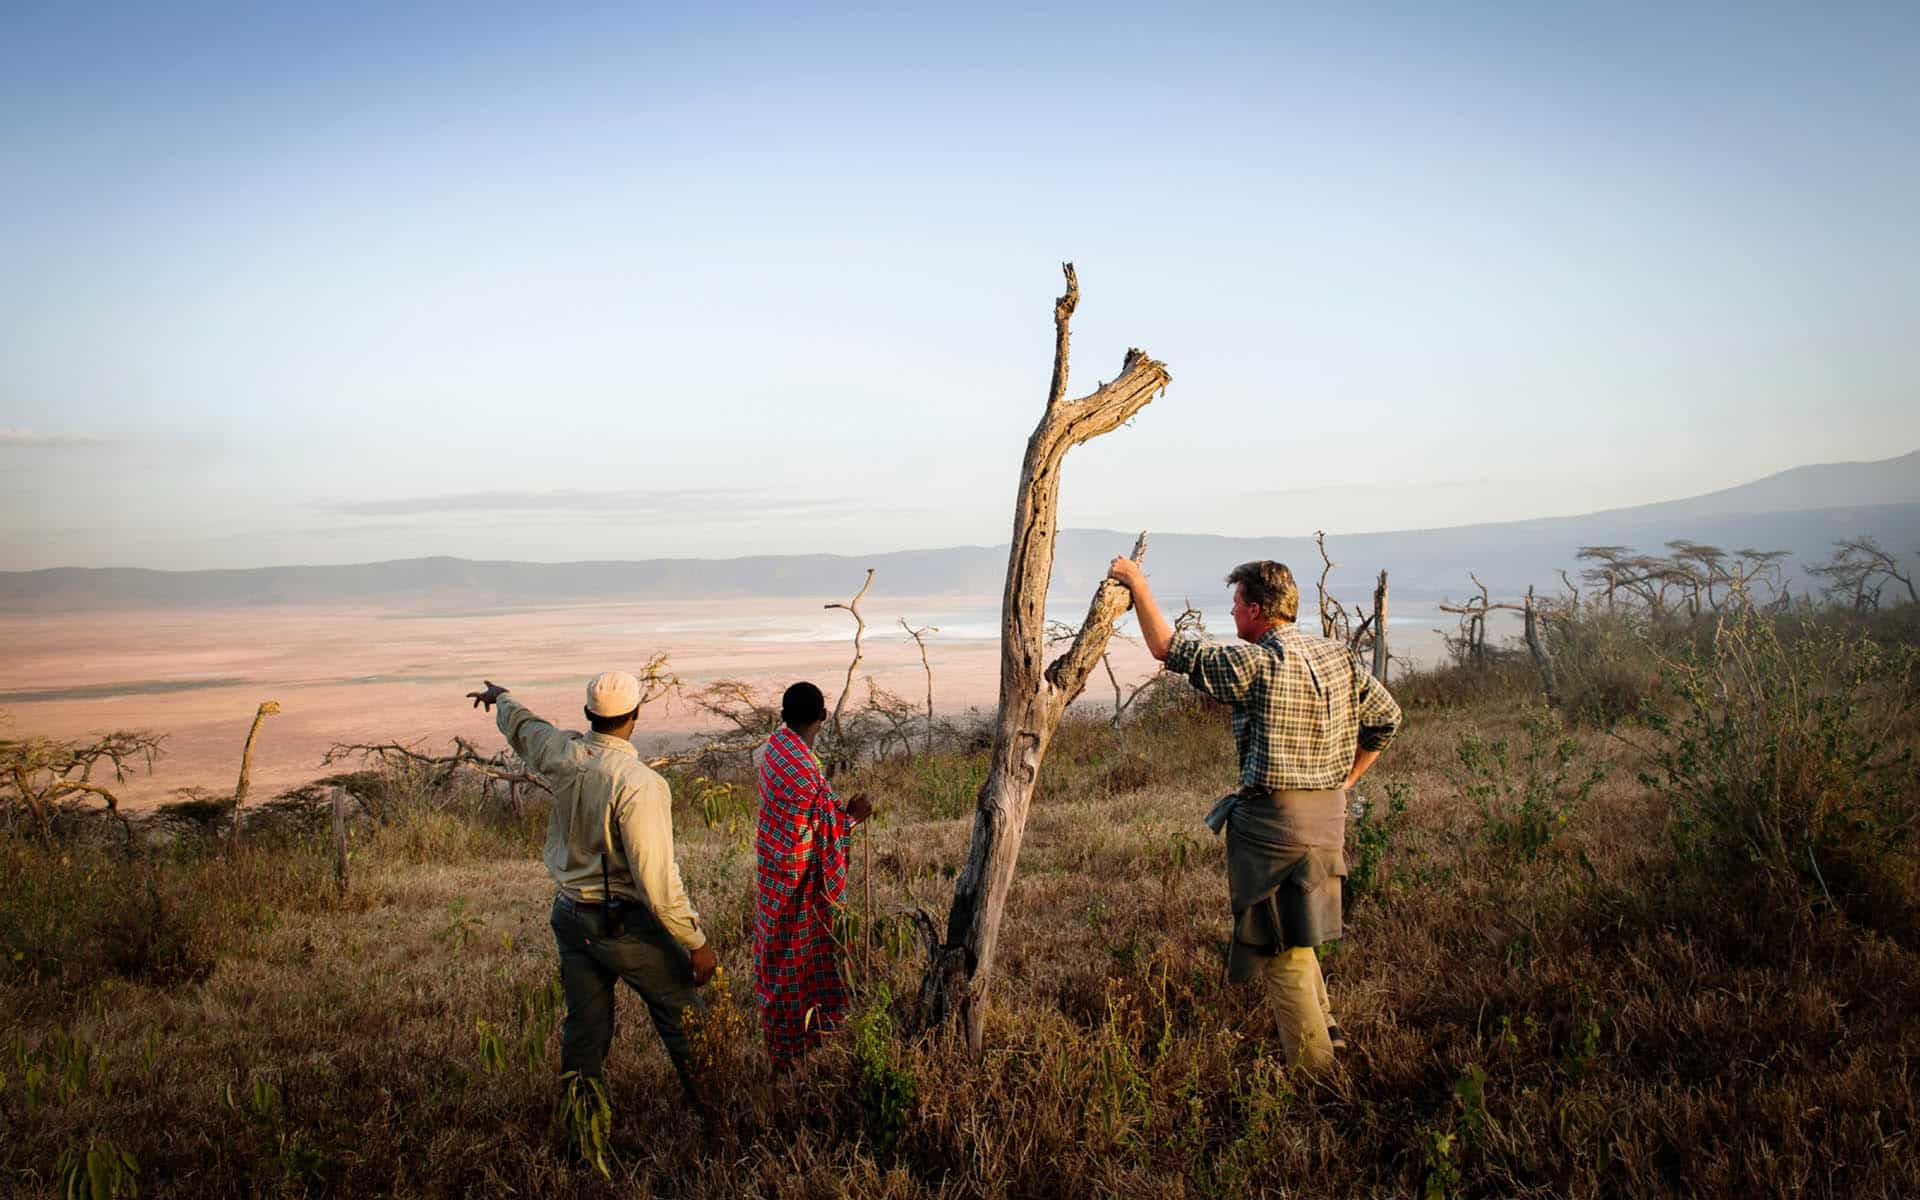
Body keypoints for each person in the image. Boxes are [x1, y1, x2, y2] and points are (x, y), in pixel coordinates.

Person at [1106, 556, 1402, 1076]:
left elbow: (1167, 648)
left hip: (1274, 829)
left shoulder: (1258, 663)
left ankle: (1318, 1079)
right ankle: (1332, 1042)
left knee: (1278, 950)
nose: (1233, 612)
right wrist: (1347, 781)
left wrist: (1138, 584)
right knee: (1297, 933)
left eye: (1238, 604)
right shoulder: (1340, 657)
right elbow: (1387, 720)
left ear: (1258, 610)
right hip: (1328, 820)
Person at [466, 672, 717, 1110]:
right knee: (685, 1017)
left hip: (568, 914)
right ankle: (719, 1112)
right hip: (620, 922)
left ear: (587, 714)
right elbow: (655, 880)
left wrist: (501, 698)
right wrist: (695, 941)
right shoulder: (638, 783)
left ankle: (581, 1122)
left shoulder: (564, 753)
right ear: (635, 715)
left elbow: (526, 728)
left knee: (586, 1027)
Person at [752, 682, 872, 1072]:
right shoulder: (805, 769)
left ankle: (789, 1041)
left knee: (776, 953)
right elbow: (830, 830)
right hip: (797, 880)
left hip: (772, 871)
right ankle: (796, 1044)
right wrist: (854, 816)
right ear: (822, 717)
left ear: (784, 716)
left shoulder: (775, 749)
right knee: (796, 959)